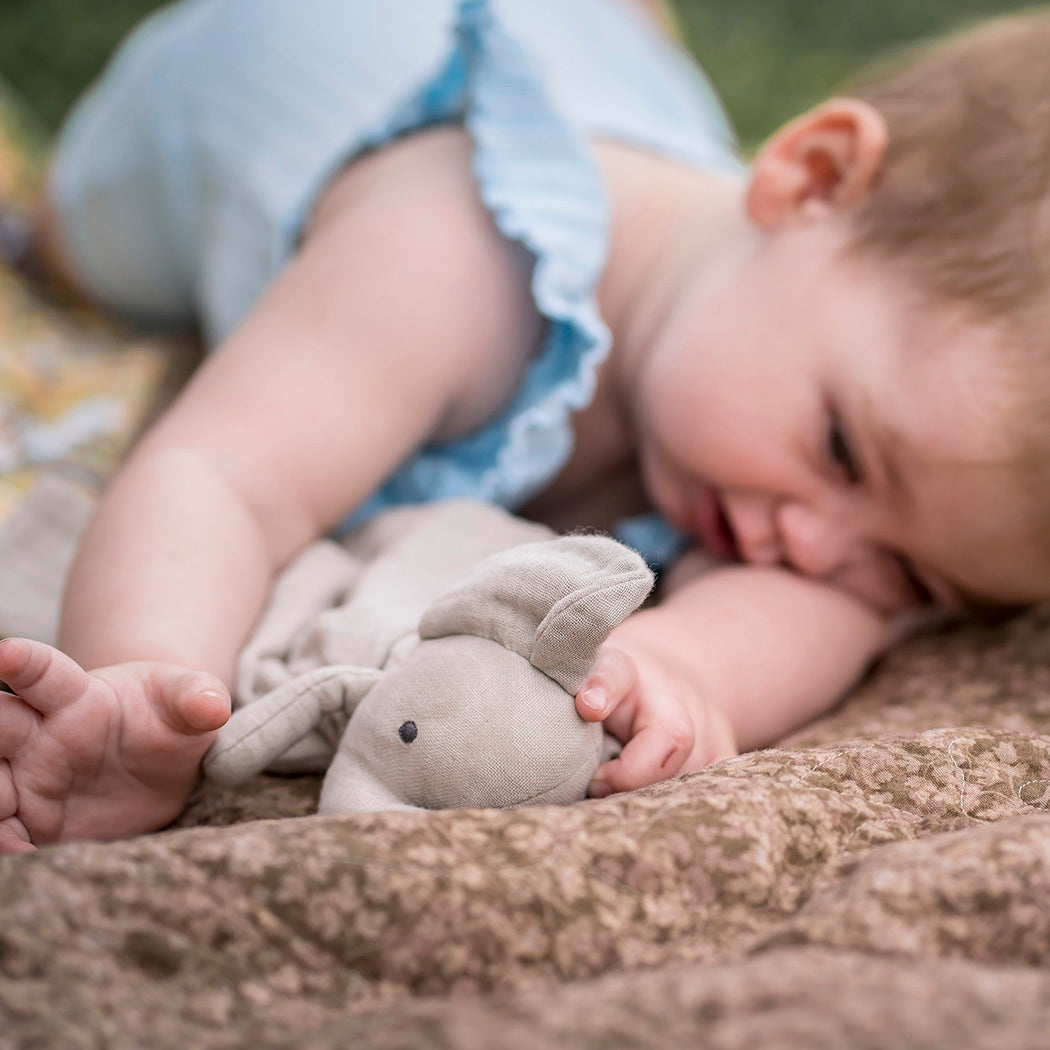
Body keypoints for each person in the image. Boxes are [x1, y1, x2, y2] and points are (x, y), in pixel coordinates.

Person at [0, 0, 1046, 853]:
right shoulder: (455, 260)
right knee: (83, 258)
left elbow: (822, 611)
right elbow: (222, 475)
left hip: (606, 80)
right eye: (842, 451)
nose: (818, 548)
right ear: (810, 177)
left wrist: (691, 668)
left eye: (915, 574)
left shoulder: (793, 370)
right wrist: (139, 680)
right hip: (242, 78)